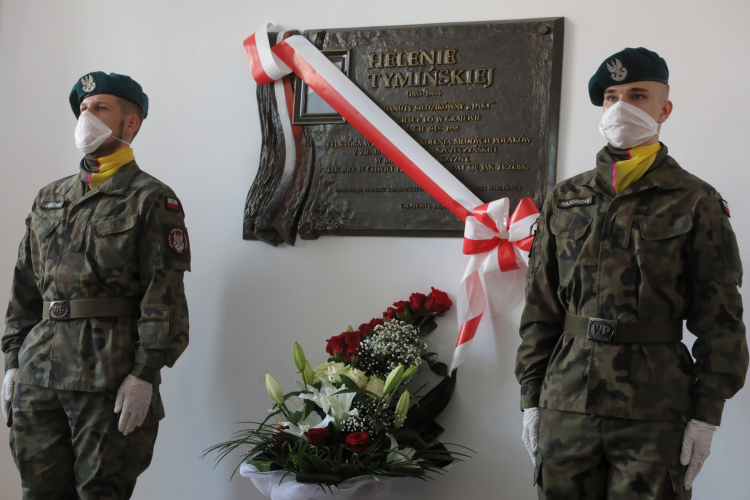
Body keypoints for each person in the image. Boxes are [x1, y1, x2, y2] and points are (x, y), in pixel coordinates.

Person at [516, 48, 747, 499]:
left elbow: (719, 316)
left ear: (664, 109)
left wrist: (707, 411)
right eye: (610, 96)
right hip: (567, 399)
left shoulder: (696, 201)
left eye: (638, 95)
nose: (621, 107)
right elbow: (540, 307)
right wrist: (531, 396)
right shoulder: (565, 198)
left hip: (655, 404)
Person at [1, 72, 191, 499]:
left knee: (99, 492)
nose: (87, 116)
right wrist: (12, 360)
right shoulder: (50, 196)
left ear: (130, 124)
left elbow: (163, 294)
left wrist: (145, 374)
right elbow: (24, 286)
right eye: (83, 109)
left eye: (100, 107)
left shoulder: (151, 198)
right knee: (38, 491)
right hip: (39, 370)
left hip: (108, 373)